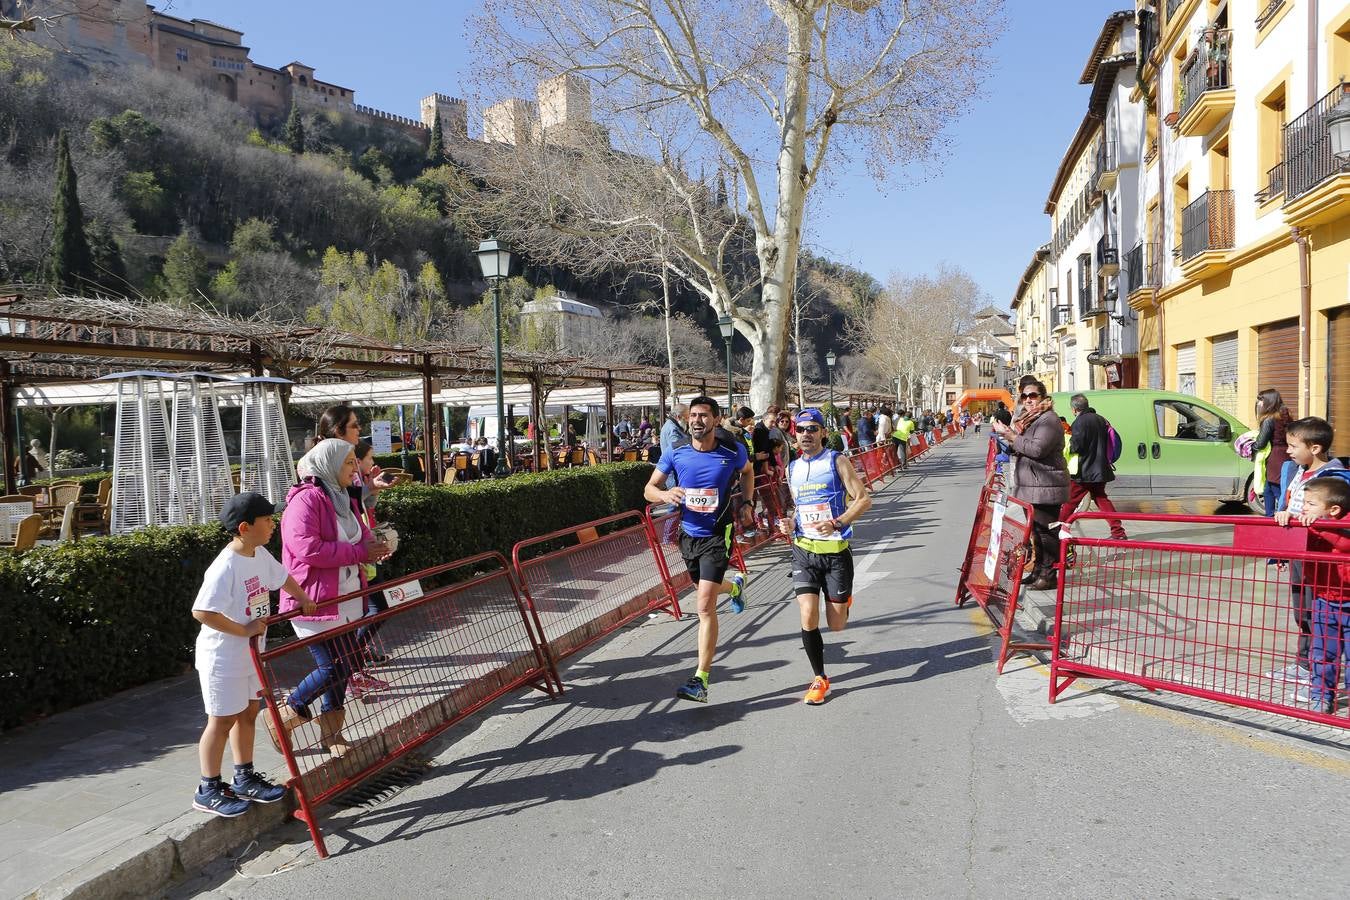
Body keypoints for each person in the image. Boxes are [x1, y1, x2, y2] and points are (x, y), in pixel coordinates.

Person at [192, 492, 315, 817]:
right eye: (267, 520)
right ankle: (208, 787)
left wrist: (302, 597)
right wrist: (244, 630)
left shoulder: (258, 554)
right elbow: (203, 612)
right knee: (221, 721)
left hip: (250, 655)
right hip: (223, 657)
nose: (273, 524)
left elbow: (282, 576)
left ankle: (244, 774)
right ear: (245, 527)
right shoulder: (226, 565)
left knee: (247, 714)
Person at [273, 439, 391, 757]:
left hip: (347, 599)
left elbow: (360, 532)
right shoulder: (306, 500)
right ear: (329, 465)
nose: (355, 468)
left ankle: (332, 734)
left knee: (347, 663)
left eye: (354, 461)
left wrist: (374, 546)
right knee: (333, 667)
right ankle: (288, 712)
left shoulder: (343, 497)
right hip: (314, 601)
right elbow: (307, 549)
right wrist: (357, 552)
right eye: (349, 462)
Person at [643, 396, 753, 703]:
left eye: (704, 415)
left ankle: (700, 680)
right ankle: (734, 588)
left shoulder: (732, 451)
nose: (697, 420)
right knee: (705, 588)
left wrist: (747, 502)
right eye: (693, 415)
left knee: (703, 606)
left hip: (719, 533)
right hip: (688, 535)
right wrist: (665, 495)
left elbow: (747, 471)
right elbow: (649, 489)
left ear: (716, 420)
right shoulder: (676, 452)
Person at [776, 409, 872, 704]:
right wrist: (790, 523)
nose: (806, 434)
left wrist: (838, 522)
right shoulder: (791, 469)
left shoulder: (836, 461)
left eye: (813, 429)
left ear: (822, 433)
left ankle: (843, 602)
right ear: (795, 434)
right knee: (807, 615)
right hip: (804, 550)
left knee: (837, 625)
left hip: (835, 553)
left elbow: (864, 499)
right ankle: (820, 678)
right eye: (802, 429)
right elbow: (799, 508)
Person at [1271, 417, 1349, 698]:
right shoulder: (1297, 470)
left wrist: (1317, 517)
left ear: (1314, 448)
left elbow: (1333, 513)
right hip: (1297, 549)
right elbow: (1290, 505)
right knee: (1302, 611)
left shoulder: (1334, 477)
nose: (1288, 451)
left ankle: (1320, 675)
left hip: (1320, 554)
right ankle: (1304, 664)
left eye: (1293, 446)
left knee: (1318, 614)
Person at [991, 380, 1069, 591]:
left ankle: (1049, 574)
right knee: (1036, 533)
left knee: (1046, 533)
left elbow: (1037, 450)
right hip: (1032, 486)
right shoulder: (1030, 420)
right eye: (1024, 397)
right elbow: (1022, 448)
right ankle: (1038, 572)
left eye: (1032, 396)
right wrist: (1008, 435)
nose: (1028, 400)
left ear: (1042, 396)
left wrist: (1012, 436)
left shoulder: (1048, 420)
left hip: (1046, 485)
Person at [1299, 477, 1350, 713]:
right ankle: (1321, 695)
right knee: (1322, 654)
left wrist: (1319, 526)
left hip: (1348, 601)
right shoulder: (1308, 525)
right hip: (1323, 601)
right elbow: (1291, 539)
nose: (1303, 508)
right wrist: (1282, 519)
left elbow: (1344, 544)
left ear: (1334, 510)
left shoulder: (1344, 524)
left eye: (1310, 504)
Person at [1059, 394, 1127, 540]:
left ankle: (1057, 528)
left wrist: (1067, 447)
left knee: (1070, 501)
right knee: (1102, 499)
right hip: (1101, 468)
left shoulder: (1079, 422)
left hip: (1084, 471)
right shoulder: (1101, 419)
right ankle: (1118, 531)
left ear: (1074, 409)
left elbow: (1076, 446)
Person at [1252, 389, 1292, 517]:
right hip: (1286, 455)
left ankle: (1281, 516)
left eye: (1261, 400)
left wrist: (1248, 447)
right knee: (1268, 489)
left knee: (1276, 490)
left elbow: (1260, 443)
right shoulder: (1285, 416)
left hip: (1274, 457)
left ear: (1268, 401)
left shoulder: (1268, 419)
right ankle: (1269, 516)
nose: (1258, 403)